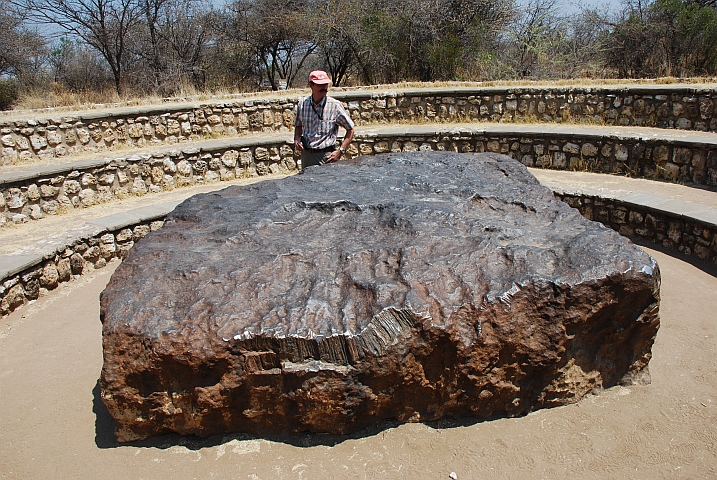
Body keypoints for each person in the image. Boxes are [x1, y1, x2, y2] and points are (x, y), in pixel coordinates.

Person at [294, 70, 354, 171]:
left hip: (326, 157)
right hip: (306, 156)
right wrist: (296, 138)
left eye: (326, 84)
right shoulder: (303, 104)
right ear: (311, 85)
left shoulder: (335, 106)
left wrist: (341, 151)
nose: (324, 88)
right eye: (320, 85)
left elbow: (350, 130)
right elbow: (298, 125)